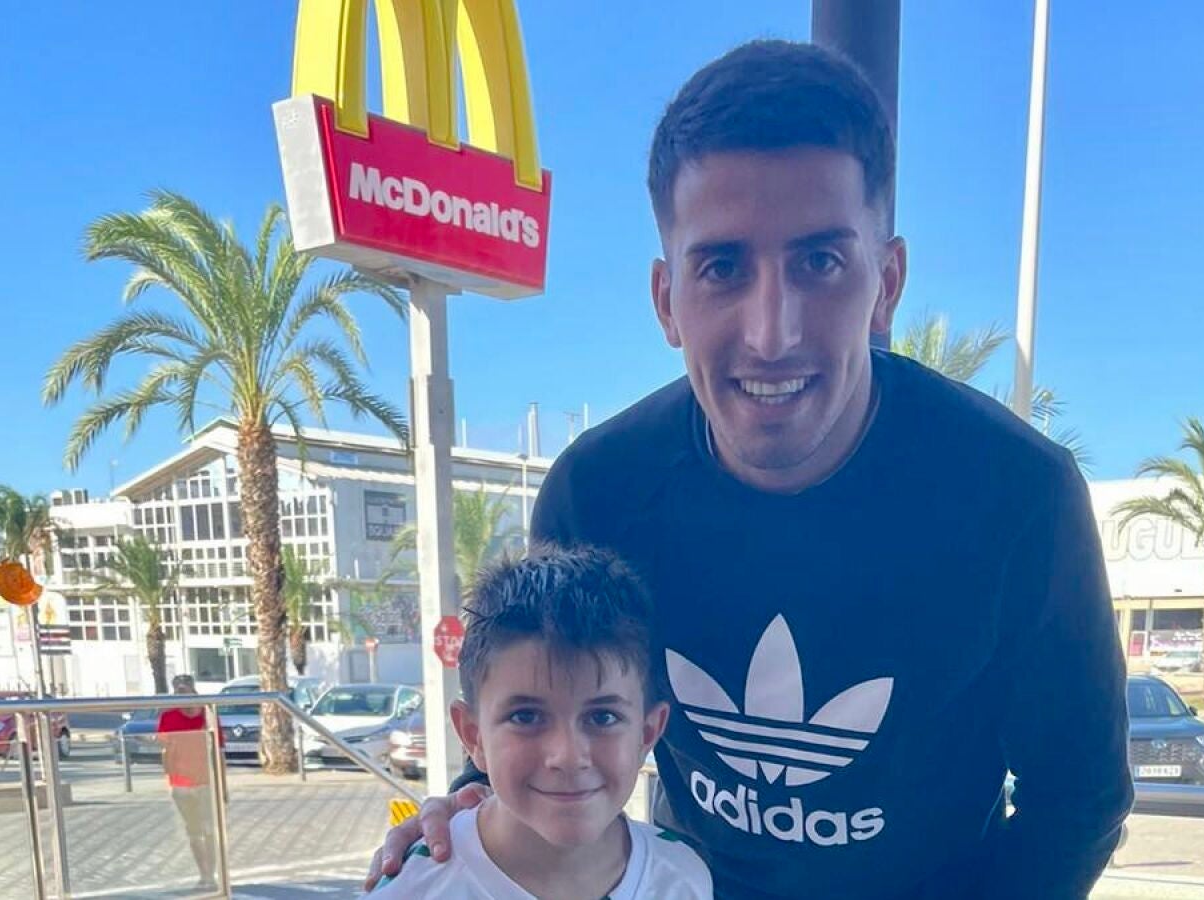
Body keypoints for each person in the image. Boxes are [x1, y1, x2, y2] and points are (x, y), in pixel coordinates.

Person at [369, 39, 1132, 898]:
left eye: (820, 262)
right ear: (667, 300)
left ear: (886, 283)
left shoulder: (1020, 495)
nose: (773, 332)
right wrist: (470, 808)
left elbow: (1081, 797)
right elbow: (552, 706)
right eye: (723, 267)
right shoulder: (598, 491)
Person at [368, 548, 712, 899]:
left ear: (647, 732)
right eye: (526, 716)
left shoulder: (683, 881)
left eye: (603, 717)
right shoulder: (411, 891)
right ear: (473, 736)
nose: (568, 756)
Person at [158, 673, 223, 891]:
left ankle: (212, 874)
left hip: (206, 782)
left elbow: (218, 751)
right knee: (194, 832)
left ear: (193, 691)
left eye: (184, 691)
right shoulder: (168, 716)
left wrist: (222, 785)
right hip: (181, 784)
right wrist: (169, 781)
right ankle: (204, 875)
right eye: (177, 692)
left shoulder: (208, 714)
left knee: (210, 830)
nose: (180, 696)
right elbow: (165, 750)